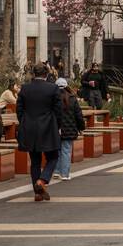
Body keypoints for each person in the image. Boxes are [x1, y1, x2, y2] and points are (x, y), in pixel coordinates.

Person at [17, 62, 63, 201]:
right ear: (47, 74)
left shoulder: (25, 89)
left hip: (29, 127)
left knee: (35, 160)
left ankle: (38, 193)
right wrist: (58, 126)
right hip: (48, 127)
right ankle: (42, 181)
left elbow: (19, 110)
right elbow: (58, 111)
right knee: (53, 157)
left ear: (33, 74)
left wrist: (24, 122)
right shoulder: (53, 89)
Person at [54, 77, 85, 181]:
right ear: (66, 86)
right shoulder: (72, 98)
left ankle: (56, 171)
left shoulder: (52, 99)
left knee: (56, 150)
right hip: (69, 129)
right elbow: (78, 115)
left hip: (55, 129)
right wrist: (81, 127)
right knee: (66, 151)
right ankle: (65, 174)